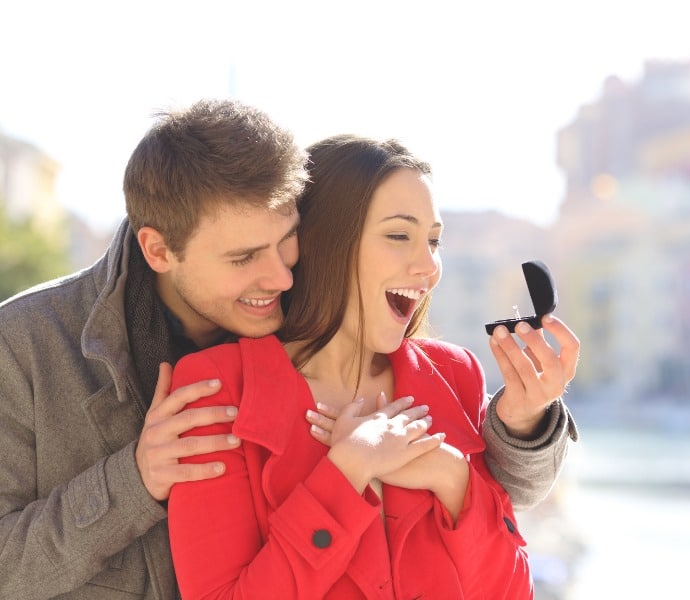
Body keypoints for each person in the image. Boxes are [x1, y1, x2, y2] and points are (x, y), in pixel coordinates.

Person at [0, 99, 578, 599]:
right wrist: (134, 480)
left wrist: (499, 439)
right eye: (244, 257)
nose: (281, 277)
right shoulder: (37, 346)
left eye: (287, 241)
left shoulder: (448, 372)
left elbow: (507, 517)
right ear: (160, 251)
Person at [168, 134, 544, 598]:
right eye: (399, 236)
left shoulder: (456, 375)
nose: (429, 266)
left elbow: (509, 591)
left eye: (433, 241)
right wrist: (348, 470)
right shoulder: (217, 389)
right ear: (326, 242)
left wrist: (453, 477)